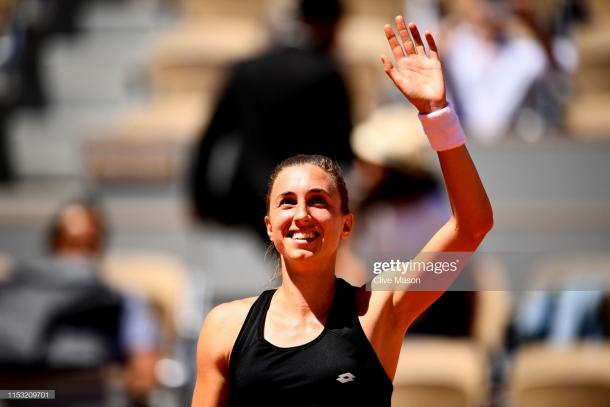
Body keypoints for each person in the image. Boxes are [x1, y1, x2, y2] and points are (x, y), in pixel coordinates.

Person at [191, 17, 493, 407]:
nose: (301, 214)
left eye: (318, 200)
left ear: (346, 224)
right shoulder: (223, 328)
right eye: (287, 201)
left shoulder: (381, 309)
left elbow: (471, 226)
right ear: (269, 226)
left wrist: (436, 114)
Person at [187, 0, 352, 243]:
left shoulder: (245, 70)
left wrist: (201, 200)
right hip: (307, 200)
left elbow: (211, 137)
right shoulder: (326, 73)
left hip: (247, 201)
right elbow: (343, 147)